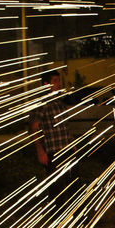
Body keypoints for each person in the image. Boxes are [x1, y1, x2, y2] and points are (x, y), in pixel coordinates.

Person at [29, 71, 76, 211]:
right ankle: (58, 217)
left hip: (66, 149)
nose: (58, 83)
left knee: (74, 183)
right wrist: (40, 150)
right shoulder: (42, 104)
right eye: (55, 80)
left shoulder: (59, 102)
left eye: (58, 80)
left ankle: (78, 216)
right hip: (53, 152)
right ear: (46, 84)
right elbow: (33, 128)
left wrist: (72, 144)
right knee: (57, 187)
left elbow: (64, 126)